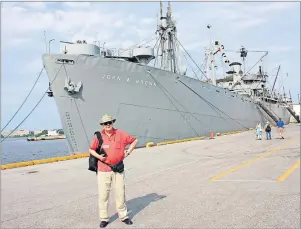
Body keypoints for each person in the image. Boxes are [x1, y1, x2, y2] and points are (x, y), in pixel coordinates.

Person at [89, 114, 138, 228]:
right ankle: (104, 218)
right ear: (102, 125)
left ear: (112, 123)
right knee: (103, 195)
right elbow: (91, 149)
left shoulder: (120, 133)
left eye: (109, 122)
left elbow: (134, 140)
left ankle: (123, 216)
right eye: (105, 123)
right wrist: (99, 157)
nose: (108, 125)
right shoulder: (98, 136)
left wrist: (128, 152)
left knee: (120, 193)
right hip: (103, 170)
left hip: (118, 168)